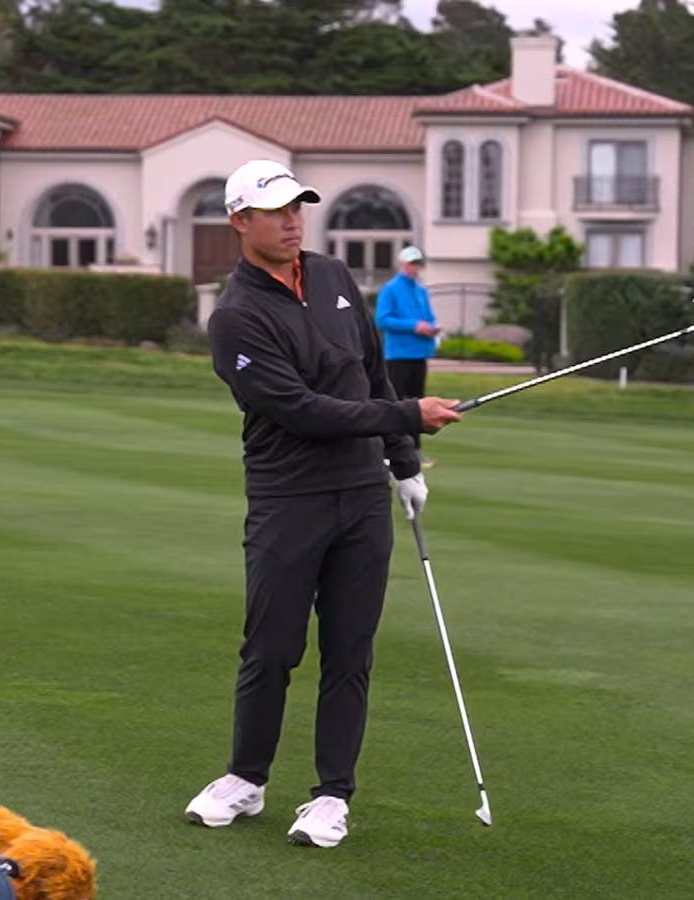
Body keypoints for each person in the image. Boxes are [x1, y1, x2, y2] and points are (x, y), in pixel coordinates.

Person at [184, 160, 463, 848]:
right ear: (239, 221)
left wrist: (403, 463)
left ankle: (332, 795)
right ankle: (246, 779)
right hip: (288, 499)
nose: (292, 221)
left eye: (297, 207)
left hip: (362, 498)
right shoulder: (236, 317)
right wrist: (408, 415)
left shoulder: (334, 276)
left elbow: (371, 371)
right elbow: (302, 409)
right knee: (271, 648)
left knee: (349, 650)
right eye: (276, 210)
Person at [373, 245, 441, 463]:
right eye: (412, 263)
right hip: (398, 354)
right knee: (395, 402)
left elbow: (428, 317)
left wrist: (431, 328)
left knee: (417, 403)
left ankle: (414, 449)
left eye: (418, 264)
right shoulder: (391, 289)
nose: (415, 268)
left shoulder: (421, 290)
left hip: (419, 353)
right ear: (402, 264)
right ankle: (390, 449)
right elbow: (383, 319)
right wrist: (414, 326)